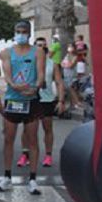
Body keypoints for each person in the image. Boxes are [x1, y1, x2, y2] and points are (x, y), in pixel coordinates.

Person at [0, 21, 46, 195]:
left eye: (24, 31)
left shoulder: (38, 52)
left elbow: (40, 73)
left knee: (32, 139)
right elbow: (7, 74)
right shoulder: (6, 52)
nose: (21, 34)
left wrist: (35, 87)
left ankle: (32, 179)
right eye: (18, 31)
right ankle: (7, 177)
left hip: (31, 100)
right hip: (13, 99)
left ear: (29, 33)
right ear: (14, 33)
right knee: (8, 138)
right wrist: (13, 85)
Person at [32, 36, 65, 168]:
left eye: (43, 45)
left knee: (47, 129)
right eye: (38, 45)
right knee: (29, 130)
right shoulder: (30, 62)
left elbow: (59, 82)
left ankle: (48, 155)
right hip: (32, 99)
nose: (41, 47)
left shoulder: (52, 64)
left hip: (47, 100)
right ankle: (26, 154)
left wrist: (61, 101)